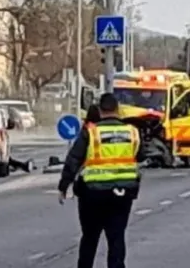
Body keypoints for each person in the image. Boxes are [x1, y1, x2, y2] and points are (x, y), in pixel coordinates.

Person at [59, 93, 141, 268]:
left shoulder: (91, 133)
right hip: (122, 193)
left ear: (100, 110)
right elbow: (139, 155)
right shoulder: (131, 132)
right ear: (117, 110)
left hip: (92, 194)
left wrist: (63, 186)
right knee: (117, 238)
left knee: (89, 238)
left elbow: (73, 159)